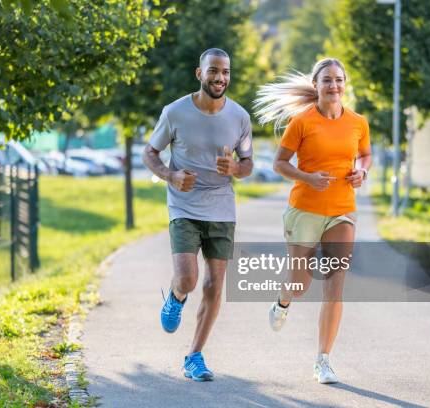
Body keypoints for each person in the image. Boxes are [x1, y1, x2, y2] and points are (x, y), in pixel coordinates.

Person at [254, 57, 371, 384]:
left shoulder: (358, 122)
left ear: (344, 84)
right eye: (327, 80)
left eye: (339, 80)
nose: (334, 86)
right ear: (316, 85)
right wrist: (307, 177)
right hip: (304, 208)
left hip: (342, 210)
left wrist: (362, 170)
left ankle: (323, 360)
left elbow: (365, 154)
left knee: (336, 284)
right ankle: (283, 302)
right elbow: (279, 163)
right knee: (300, 283)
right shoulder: (302, 122)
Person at [143, 48, 253, 382]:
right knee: (189, 278)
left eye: (226, 72)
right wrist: (170, 175)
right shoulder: (175, 112)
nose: (221, 78)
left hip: (221, 206)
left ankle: (194, 356)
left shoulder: (239, 117)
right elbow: (150, 152)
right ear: (199, 73)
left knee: (214, 285)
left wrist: (235, 167)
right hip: (184, 204)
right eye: (214, 71)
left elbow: (248, 164)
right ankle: (176, 296)